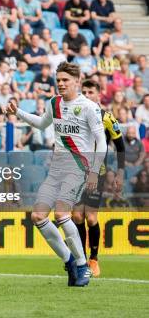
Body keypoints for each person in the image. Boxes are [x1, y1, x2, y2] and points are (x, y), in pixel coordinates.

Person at [6, 62, 106, 287]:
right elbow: (42, 124)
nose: (60, 83)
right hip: (57, 168)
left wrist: (93, 171)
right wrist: (18, 112)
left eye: (65, 80)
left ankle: (83, 265)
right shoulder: (54, 103)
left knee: (62, 213)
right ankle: (69, 260)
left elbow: (101, 141)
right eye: (58, 80)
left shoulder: (89, 107)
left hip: (79, 168)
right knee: (37, 216)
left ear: (76, 81)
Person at [72, 79, 126, 276]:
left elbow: (120, 147)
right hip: (76, 173)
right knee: (76, 216)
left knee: (91, 217)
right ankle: (81, 259)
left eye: (90, 92)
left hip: (98, 173)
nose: (86, 95)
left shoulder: (107, 118)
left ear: (98, 95)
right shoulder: (74, 116)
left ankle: (94, 259)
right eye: (83, 92)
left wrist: (120, 172)